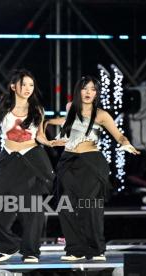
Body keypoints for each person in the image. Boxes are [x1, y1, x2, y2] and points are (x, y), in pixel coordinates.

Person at [0, 69, 61, 263]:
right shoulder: (1, 105)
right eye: (24, 84)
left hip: (33, 158)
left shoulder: (37, 109)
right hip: (9, 157)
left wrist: (51, 143)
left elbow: (40, 136)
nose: (28, 89)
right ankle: (8, 246)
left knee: (32, 207)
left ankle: (31, 252)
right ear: (13, 86)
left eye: (31, 85)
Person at [53, 76, 140, 262]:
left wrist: (126, 144)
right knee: (66, 206)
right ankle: (74, 249)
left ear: (96, 93)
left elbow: (119, 136)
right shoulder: (70, 108)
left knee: (90, 207)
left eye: (92, 89)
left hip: (91, 162)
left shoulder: (101, 114)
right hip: (68, 161)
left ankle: (96, 249)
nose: (88, 93)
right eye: (85, 88)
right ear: (79, 91)